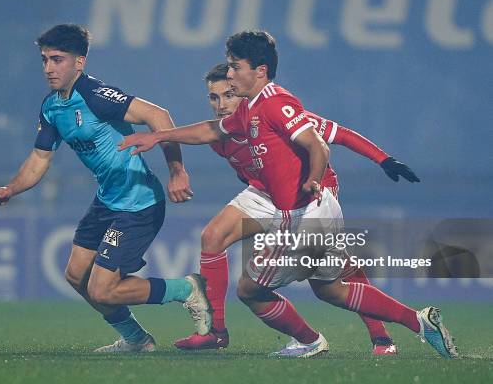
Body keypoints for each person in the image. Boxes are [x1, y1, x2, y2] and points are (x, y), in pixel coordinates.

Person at [119, 31, 457, 359]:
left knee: (251, 289)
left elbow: (322, 143)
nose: (231, 75)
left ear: (259, 70)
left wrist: (369, 163)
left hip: (303, 210)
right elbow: (210, 130)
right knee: (330, 288)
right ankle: (419, 321)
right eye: (227, 71)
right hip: (288, 202)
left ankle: (325, 340)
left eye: (235, 67)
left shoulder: (277, 104)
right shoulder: (246, 111)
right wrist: (158, 136)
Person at [0, 24, 212, 353]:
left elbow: (157, 115)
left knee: (104, 289)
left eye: (58, 59)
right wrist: (10, 189)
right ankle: (137, 339)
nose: (49, 68)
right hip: (107, 201)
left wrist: (177, 170)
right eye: (45, 60)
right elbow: (39, 159)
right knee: (77, 276)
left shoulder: (95, 96)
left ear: (80, 62)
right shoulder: (52, 107)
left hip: (138, 202)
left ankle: (185, 289)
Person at [173, 63, 420, 355]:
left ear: (242, 90)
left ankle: (380, 336)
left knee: (331, 280)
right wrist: (175, 167)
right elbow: (177, 137)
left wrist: (383, 159)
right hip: (265, 193)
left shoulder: (274, 113)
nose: (221, 104)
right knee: (212, 237)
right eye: (214, 98)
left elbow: (341, 134)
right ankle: (216, 331)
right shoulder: (219, 139)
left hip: (312, 192)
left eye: (228, 95)